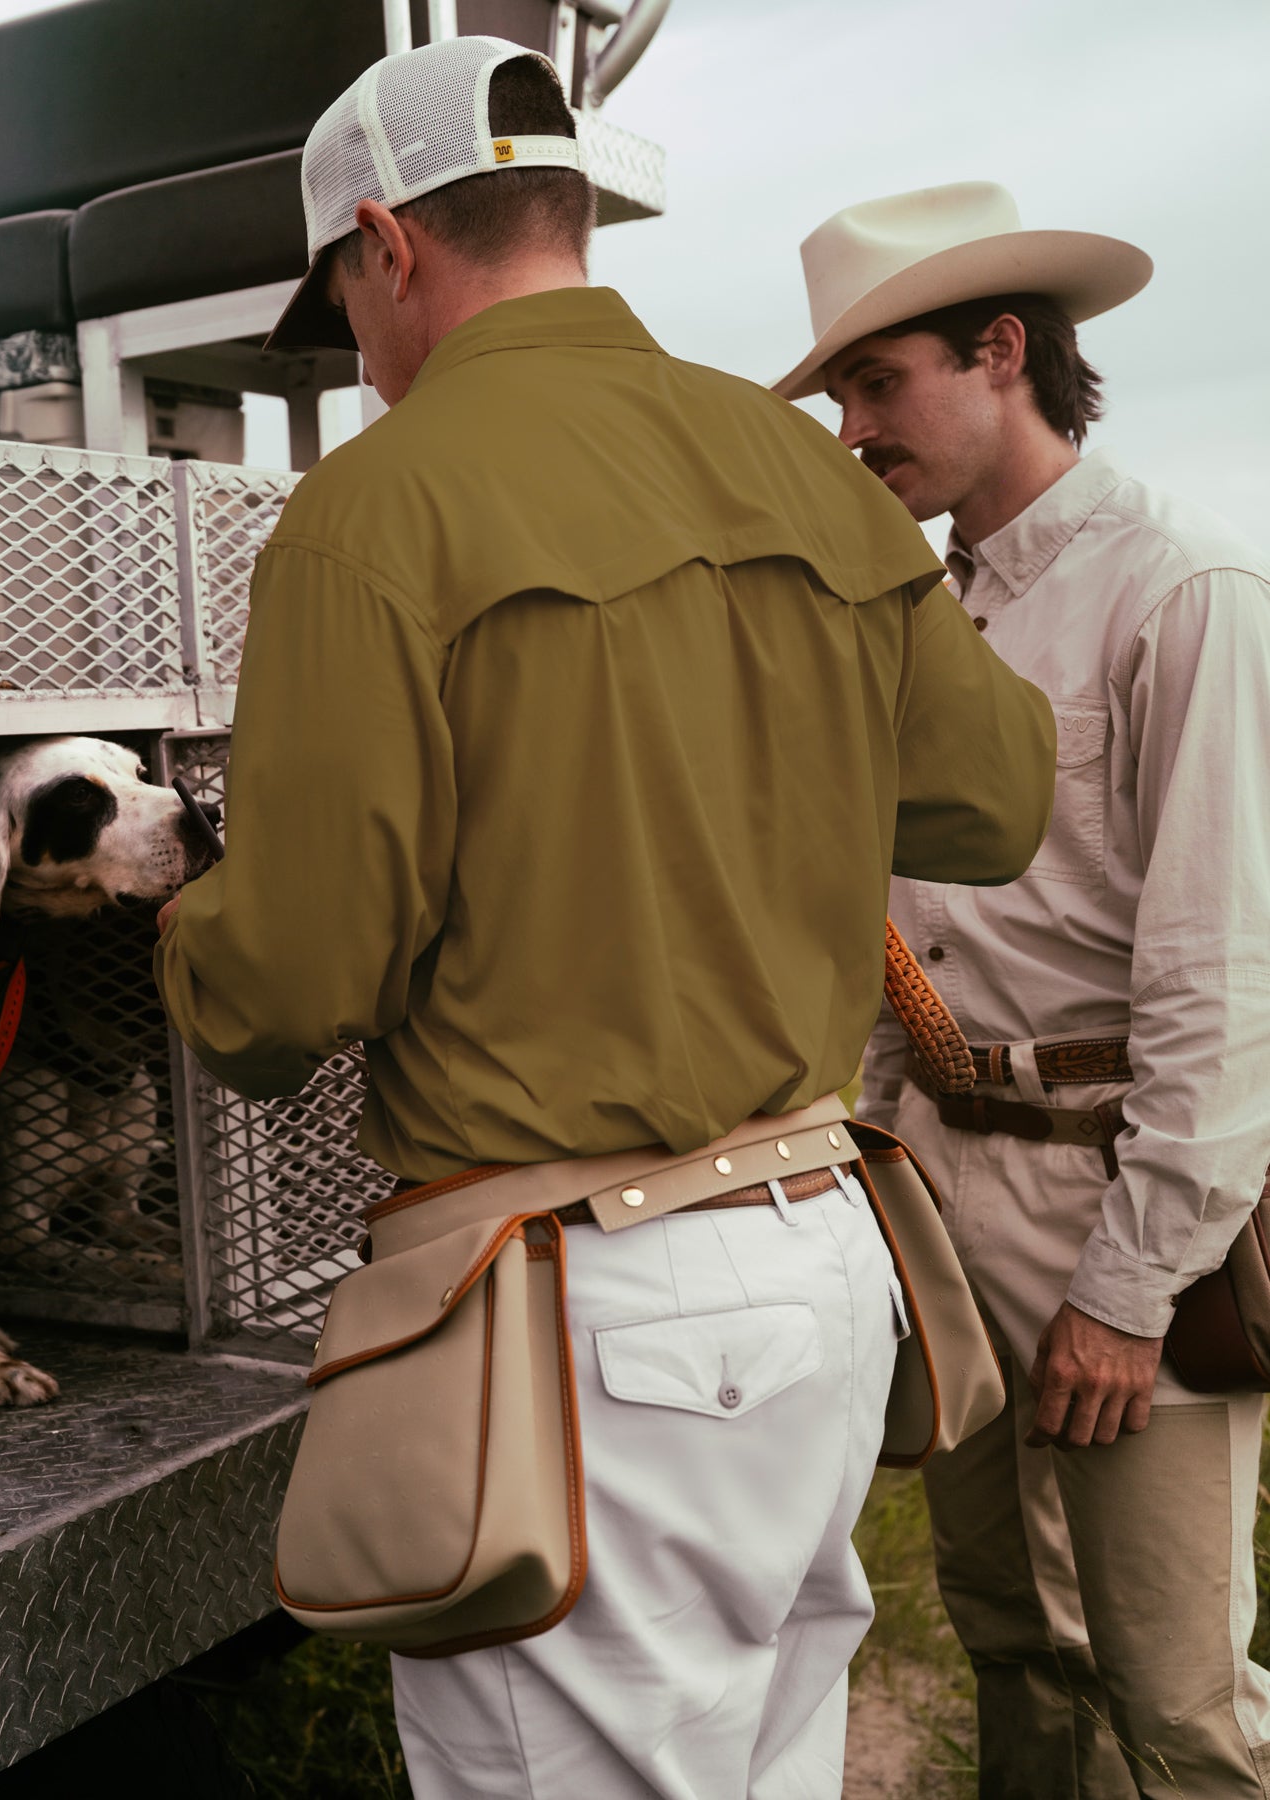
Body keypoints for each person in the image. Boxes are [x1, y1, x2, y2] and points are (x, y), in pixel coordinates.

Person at [156, 49, 1054, 1799]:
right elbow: (993, 804)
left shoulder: (375, 507)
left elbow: (289, 982)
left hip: (591, 1318)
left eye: (344, 297)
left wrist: (182, 921)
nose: (354, 341)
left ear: (384, 245)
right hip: (820, 1257)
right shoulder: (799, 470)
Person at [776, 180, 1270, 1797]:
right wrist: (867, 1177)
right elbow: (893, 929)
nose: (851, 429)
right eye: (839, 393)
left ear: (1002, 351)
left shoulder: (1180, 589)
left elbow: (1224, 977)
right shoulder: (918, 610)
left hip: (1128, 1196)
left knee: (1179, 1692)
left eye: (876, 383)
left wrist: (1132, 1292)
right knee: (1012, 1642)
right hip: (944, 1185)